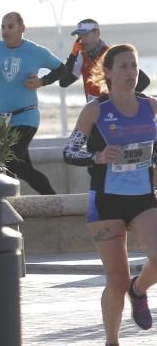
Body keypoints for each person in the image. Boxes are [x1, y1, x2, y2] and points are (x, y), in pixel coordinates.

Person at [62, 44, 157, 345]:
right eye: (124, 66)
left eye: (134, 65)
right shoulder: (95, 111)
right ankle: (112, 340)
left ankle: (139, 290)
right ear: (108, 72)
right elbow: (69, 151)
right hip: (106, 200)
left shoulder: (151, 106)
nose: (131, 72)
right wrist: (98, 156)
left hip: (143, 196)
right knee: (115, 280)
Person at [0, 12, 65, 195]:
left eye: (10, 27)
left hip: (27, 116)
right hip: (3, 119)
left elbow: (62, 69)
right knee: (25, 170)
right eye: (2, 27)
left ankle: (8, 205)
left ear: (21, 28)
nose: (5, 31)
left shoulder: (35, 51)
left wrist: (42, 82)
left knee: (7, 162)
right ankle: (54, 201)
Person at [60, 19, 150, 101]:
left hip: (113, 112)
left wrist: (119, 99)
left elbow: (144, 81)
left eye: (86, 35)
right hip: (93, 112)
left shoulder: (110, 54)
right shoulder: (81, 56)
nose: (83, 39)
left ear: (97, 33)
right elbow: (64, 82)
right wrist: (73, 55)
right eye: (80, 36)